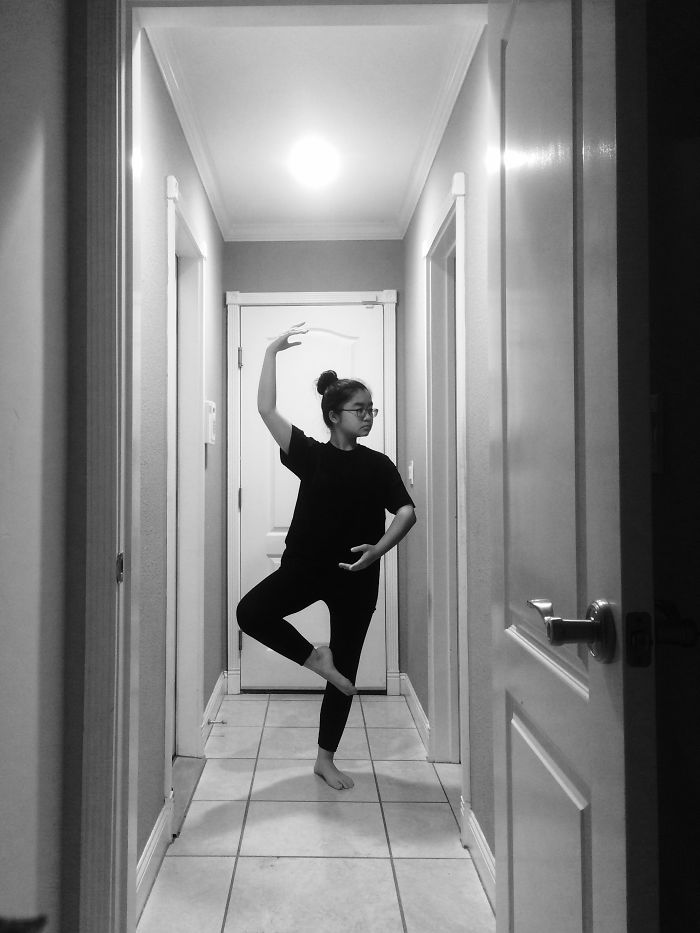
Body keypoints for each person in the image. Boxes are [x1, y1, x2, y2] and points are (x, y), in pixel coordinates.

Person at [236, 322, 417, 790]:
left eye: (372, 409)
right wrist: (271, 351)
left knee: (346, 672)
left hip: (357, 577)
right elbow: (265, 408)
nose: (369, 416)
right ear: (334, 415)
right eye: (360, 410)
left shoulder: (378, 464)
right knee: (250, 612)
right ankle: (314, 658)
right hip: (305, 568)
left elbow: (406, 512)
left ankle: (325, 759)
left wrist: (378, 550)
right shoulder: (310, 454)